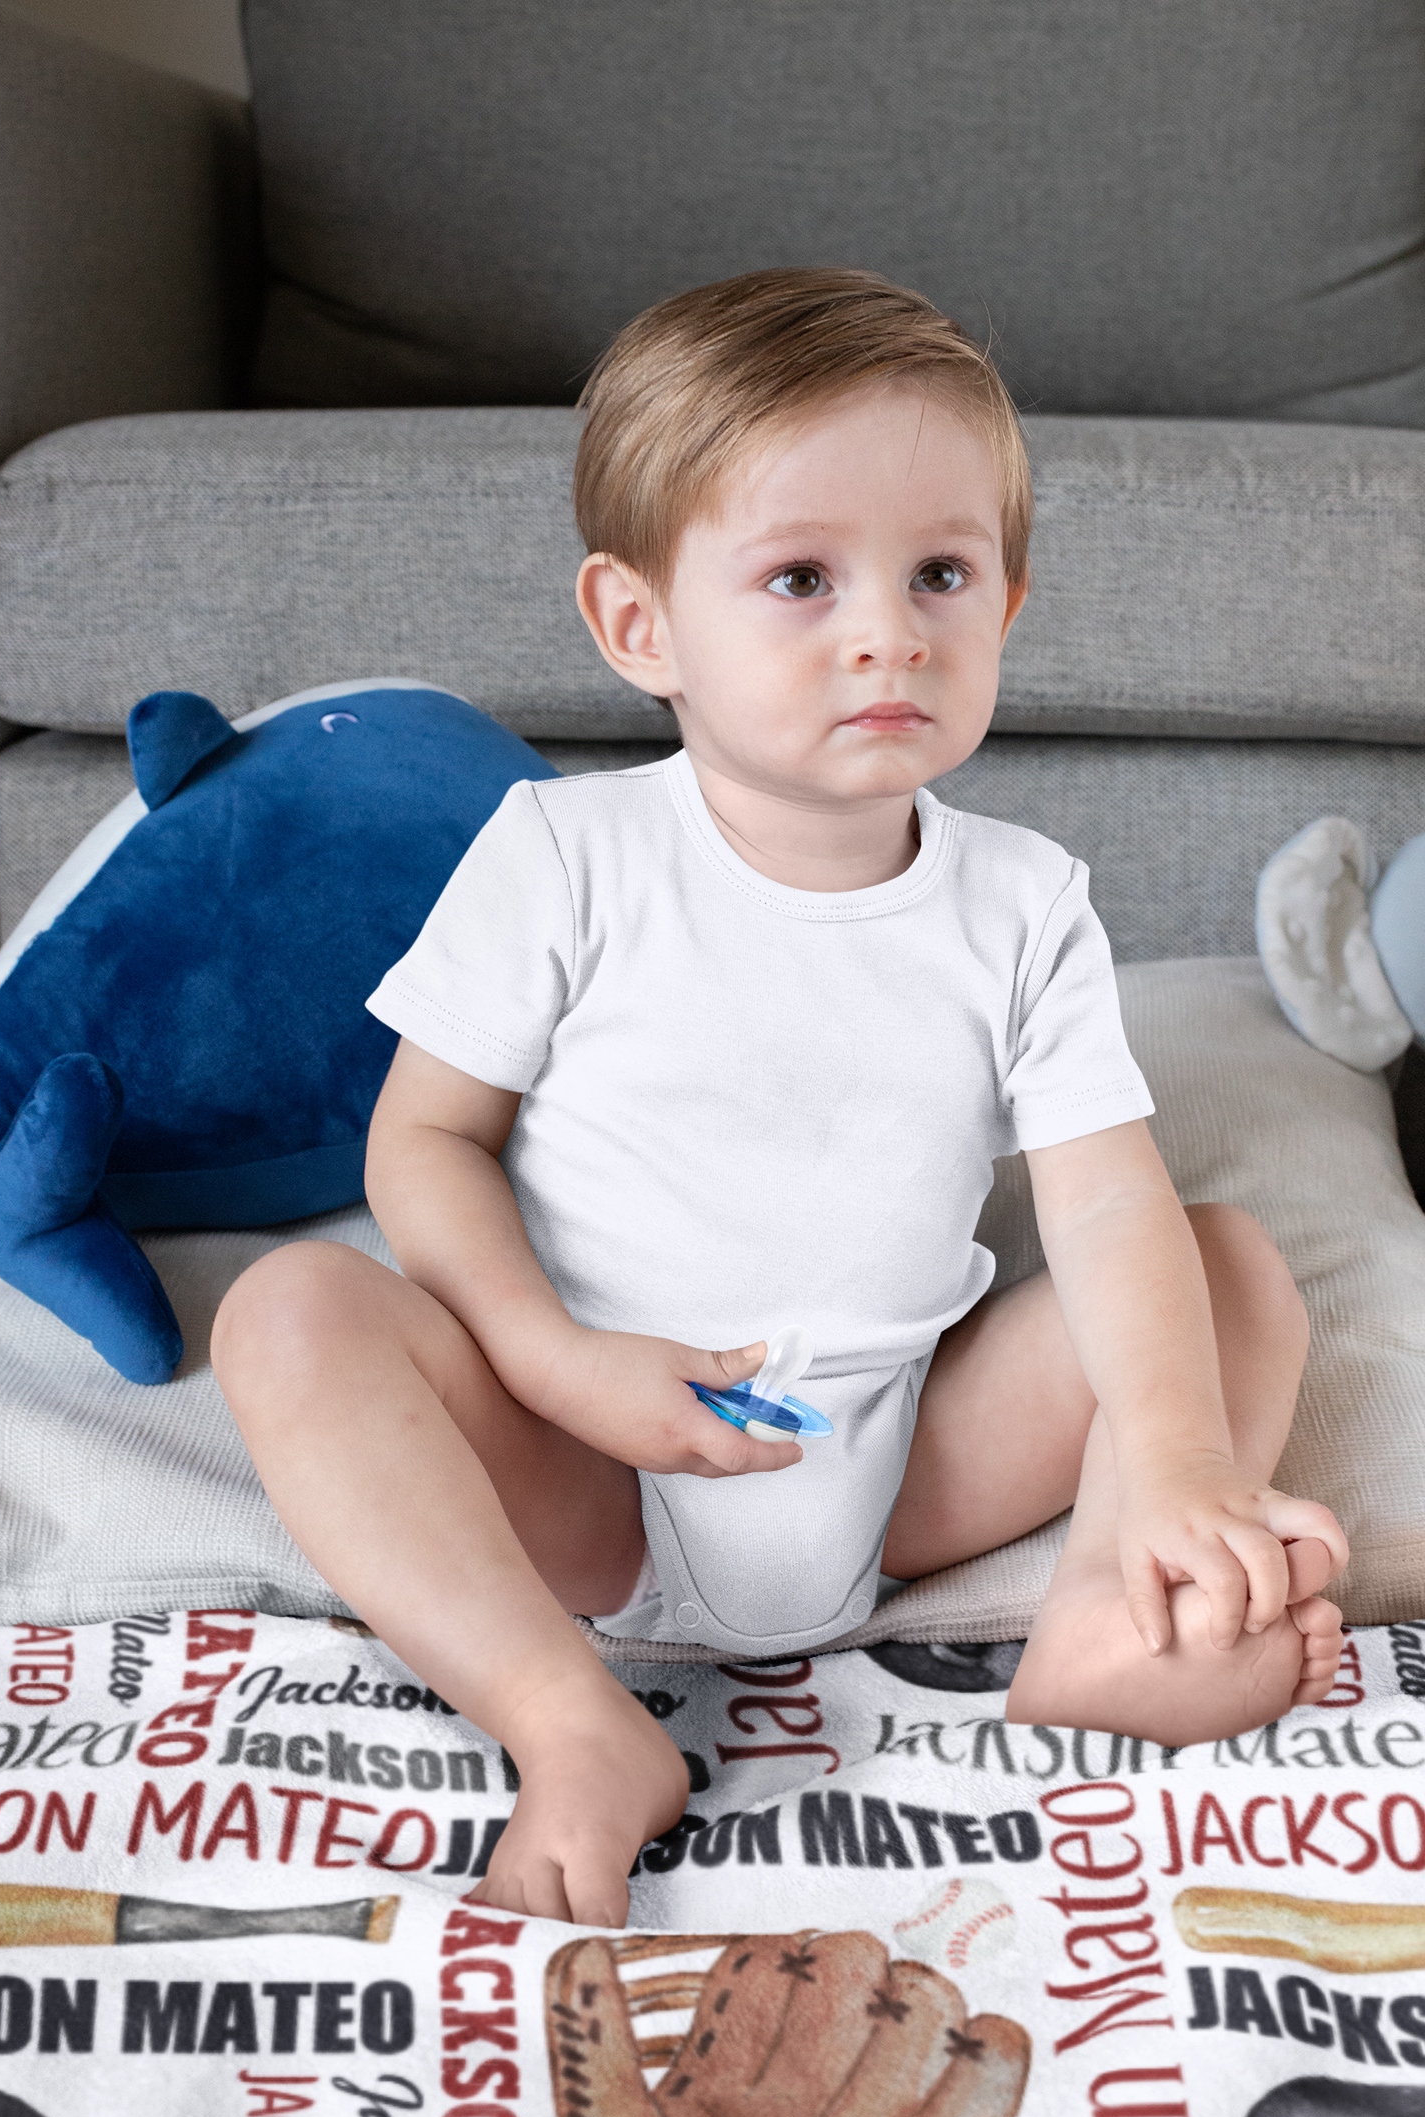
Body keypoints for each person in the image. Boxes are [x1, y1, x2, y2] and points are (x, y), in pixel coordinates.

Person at [212, 267, 1348, 1928]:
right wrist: (561, 1365)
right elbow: (426, 1141)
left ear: (1010, 606)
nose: (889, 628)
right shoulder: (566, 857)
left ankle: (1111, 1613)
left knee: (1221, 1259)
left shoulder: (1025, 902)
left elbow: (1102, 1201)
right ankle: (571, 1723)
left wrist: (1176, 1459)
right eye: (803, 578)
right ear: (638, 625)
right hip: (589, 1468)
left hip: (897, 1463)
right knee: (291, 1311)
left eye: (941, 573)